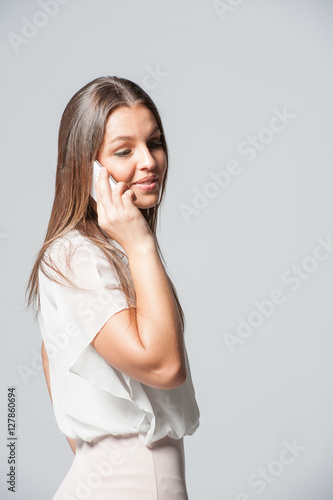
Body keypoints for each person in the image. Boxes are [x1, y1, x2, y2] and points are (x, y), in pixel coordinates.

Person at [25, 76, 200, 499]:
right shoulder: (74, 256)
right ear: (86, 168)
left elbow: (52, 355)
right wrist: (141, 243)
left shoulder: (104, 255)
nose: (149, 161)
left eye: (154, 143)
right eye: (124, 151)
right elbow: (163, 366)